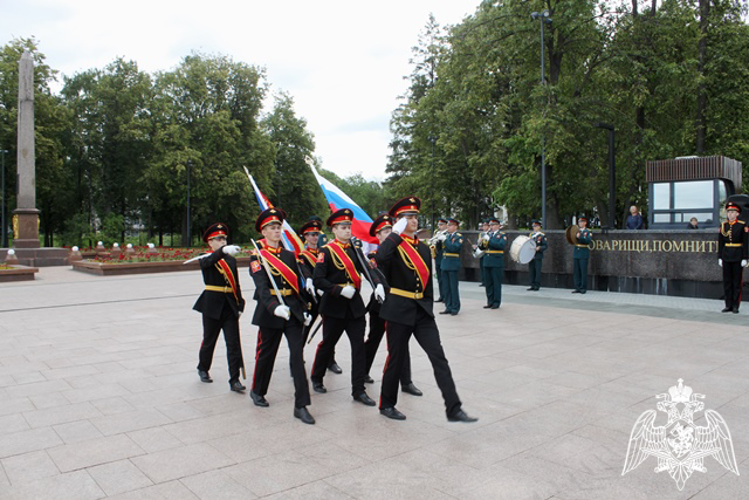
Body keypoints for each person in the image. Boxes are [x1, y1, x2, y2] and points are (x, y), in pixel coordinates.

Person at [376, 196, 477, 422]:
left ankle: (453, 408)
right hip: (398, 310)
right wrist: (394, 234)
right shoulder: (394, 246)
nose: (413, 220)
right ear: (398, 221)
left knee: (438, 357)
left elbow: (427, 282)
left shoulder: (422, 248)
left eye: (414, 216)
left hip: (421, 311)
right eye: (407, 217)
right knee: (396, 358)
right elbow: (380, 258)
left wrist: (428, 307)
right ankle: (387, 404)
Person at [309, 208, 384, 407]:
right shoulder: (326, 251)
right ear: (334, 229)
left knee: (359, 347)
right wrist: (338, 290)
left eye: (349, 226)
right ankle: (317, 377)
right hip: (334, 306)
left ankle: (358, 390)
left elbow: (368, 269)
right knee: (328, 344)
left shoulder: (355, 249)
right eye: (343, 227)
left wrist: (377, 284)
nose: (348, 230)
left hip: (354, 307)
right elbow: (318, 280)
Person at [248, 208, 315, 424]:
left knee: (297, 355)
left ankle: (301, 405)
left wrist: (305, 307)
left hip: (292, 309)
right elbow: (261, 287)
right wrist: (274, 307)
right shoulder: (257, 256)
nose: (277, 231)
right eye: (272, 228)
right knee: (267, 353)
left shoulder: (288, 255)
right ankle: (258, 390)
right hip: (272, 312)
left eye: (278, 227)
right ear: (263, 232)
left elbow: (298, 284)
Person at [362, 213, 422, 396]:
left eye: (391, 230)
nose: (389, 234)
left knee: (400, 343)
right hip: (380, 305)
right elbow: (375, 271)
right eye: (384, 232)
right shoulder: (374, 255)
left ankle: (406, 381)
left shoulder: (402, 252)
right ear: (378, 236)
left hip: (399, 305)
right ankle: (362, 371)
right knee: (374, 339)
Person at [193, 222, 246, 393]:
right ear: (210, 242)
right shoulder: (204, 257)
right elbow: (208, 262)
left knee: (233, 343)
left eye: (224, 238)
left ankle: (234, 379)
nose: (223, 241)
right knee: (209, 340)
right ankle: (203, 367)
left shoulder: (230, 259)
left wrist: (240, 302)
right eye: (218, 239)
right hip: (212, 304)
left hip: (229, 304)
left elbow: (235, 282)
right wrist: (221, 252)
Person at [297, 217, 342, 375]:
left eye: (316, 234)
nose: (314, 237)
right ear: (305, 237)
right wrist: (310, 281)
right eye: (311, 235)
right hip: (310, 297)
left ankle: (330, 360)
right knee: (305, 328)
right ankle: (297, 356)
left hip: (325, 295)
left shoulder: (326, 252)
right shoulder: (302, 256)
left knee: (329, 330)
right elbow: (305, 271)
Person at [718, 202, 748, 314]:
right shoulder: (723, 225)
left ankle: (735, 305)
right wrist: (720, 257)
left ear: (737, 214)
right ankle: (728, 305)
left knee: (736, 282)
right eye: (729, 212)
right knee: (727, 282)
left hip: (737, 255)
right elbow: (720, 243)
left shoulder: (742, 225)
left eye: (732, 212)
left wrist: (745, 257)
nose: (730, 214)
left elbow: (746, 242)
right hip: (726, 255)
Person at [440, 218, 463, 315]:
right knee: (446, 287)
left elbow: (454, 248)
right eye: (448, 225)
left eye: (449, 225)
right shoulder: (447, 236)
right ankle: (448, 306)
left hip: (453, 263)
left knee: (453, 287)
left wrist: (445, 240)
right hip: (444, 263)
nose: (447, 227)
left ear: (455, 227)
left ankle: (455, 307)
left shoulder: (458, 237)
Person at [482, 218, 506, 309]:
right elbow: (483, 247)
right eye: (490, 225)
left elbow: (500, 245)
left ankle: (496, 302)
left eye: (493, 225)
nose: (491, 227)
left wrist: (489, 240)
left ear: (498, 226)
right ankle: (490, 301)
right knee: (488, 283)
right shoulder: (487, 235)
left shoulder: (501, 235)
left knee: (496, 283)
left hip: (496, 261)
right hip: (487, 261)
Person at [572, 215, 593, 294]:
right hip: (576, 253)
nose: (580, 223)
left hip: (583, 253)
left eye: (582, 222)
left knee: (583, 271)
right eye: (579, 222)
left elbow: (587, 240)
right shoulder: (576, 231)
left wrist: (580, 237)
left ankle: (583, 288)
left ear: (585, 223)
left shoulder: (588, 231)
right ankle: (577, 287)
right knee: (576, 271)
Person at [430, 218, 448, 302]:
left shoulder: (447, 234)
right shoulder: (437, 233)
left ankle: (445, 296)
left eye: (441, 225)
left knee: (444, 279)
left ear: (445, 225)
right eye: (439, 225)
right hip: (437, 257)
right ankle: (441, 295)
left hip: (443, 257)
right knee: (440, 278)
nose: (439, 227)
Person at [527, 220, 547, 291]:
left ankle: (537, 285)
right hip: (531, 256)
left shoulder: (542, 235)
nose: (534, 228)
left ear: (539, 227)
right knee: (531, 271)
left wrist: (540, 248)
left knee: (537, 271)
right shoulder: (531, 235)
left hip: (538, 255)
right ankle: (532, 284)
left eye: (536, 226)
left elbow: (545, 245)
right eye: (533, 226)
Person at [478, 219, 490, 287]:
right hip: (481, 251)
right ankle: (483, 280)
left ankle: (486, 281)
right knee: (482, 267)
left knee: (486, 268)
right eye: (483, 225)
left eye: (485, 225)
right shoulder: (481, 234)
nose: (484, 227)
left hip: (487, 252)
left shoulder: (489, 233)